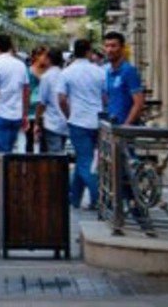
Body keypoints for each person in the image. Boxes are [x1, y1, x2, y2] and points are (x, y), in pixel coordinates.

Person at [59, 38, 106, 210]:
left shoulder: (67, 73)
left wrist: (68, 115)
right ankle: (74, 196)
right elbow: (105, 96)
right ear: (89, 52)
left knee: (85, 160)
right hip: (98, 120)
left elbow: (62, 99)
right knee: (84, 159)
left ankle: (98, 198)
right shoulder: (99, 71)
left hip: (78, 121)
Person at [0, 35, 29, 155]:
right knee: (9, 151)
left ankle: (0, 173)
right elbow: (26, 91)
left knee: (0, 153)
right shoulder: (21, 65)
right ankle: (7, 173)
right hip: (16, 115)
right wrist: (25, 114)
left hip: (0, 115)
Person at [104, 31, 145, 126]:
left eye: (113, 46)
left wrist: (126, 126)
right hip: (113, 126)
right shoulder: (109, 72)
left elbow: (138, 102)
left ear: (122, 48)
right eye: (107, 46)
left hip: (126, 131)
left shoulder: (128, 71)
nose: (109, 50)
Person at [35, 48, 68, 153]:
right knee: (59, 152)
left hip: (51, 123)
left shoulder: (46, 77)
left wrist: (36, 122)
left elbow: (41, 103)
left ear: (48, 59)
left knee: (54, 155)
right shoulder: (65, 75)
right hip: (64, 121)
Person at [26, 47, 49, 153]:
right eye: (44, 55)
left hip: (45, 108)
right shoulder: (29, 71)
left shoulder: (49, 70)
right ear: (36, 56)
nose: (46, 58)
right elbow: (27, 90)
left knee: (44, 141)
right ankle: (28, 163)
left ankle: (42, 164)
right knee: (29, 139)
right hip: (31, 109)